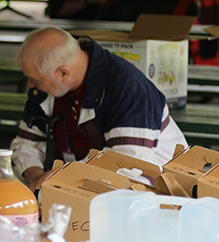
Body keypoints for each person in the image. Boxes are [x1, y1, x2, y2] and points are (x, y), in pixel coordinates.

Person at [10, 27, 187, 192]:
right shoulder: (46, 86)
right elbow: (26, 143)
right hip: (71, 185)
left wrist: (62, 175)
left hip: (153, 187)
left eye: (36, 80)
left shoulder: (129, 89)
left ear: (64, 74)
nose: (30, 85)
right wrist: (36, 178)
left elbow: (127, 163)